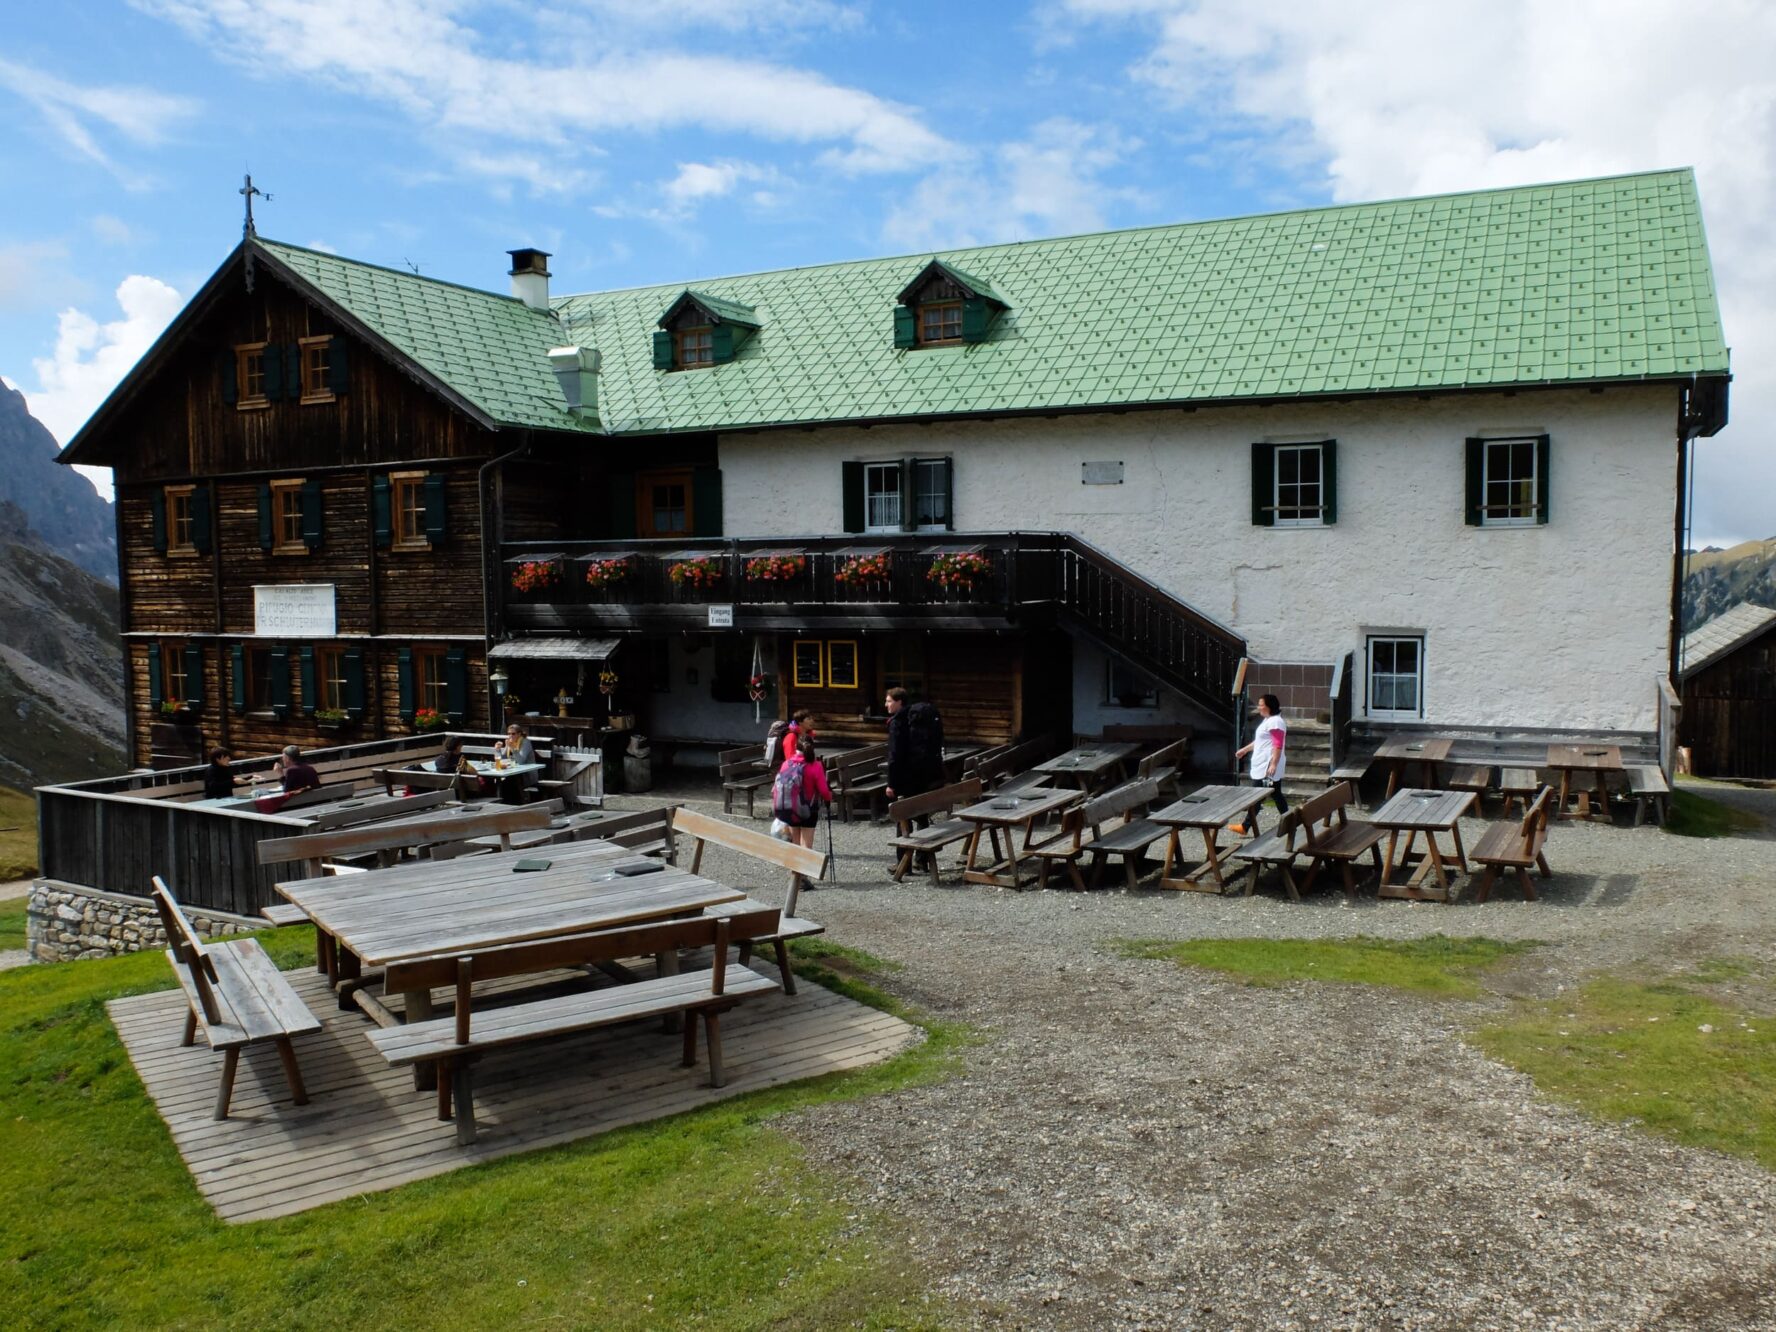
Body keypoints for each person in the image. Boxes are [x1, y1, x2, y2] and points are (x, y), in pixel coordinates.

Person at [1233, 694, 1289, 830]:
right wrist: (1245, 750)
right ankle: (1291, 820)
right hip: (1266, 765)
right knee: (1276, 795)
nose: (1259, 707)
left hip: (1267, 766)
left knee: (1257, 796)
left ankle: (1245, 826)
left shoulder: (1275, 722)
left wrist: (1274, 763)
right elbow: (1260, 741)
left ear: (1269, 706)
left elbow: (1277, 744)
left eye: (1261, 705)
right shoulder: (1268, 720)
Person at [772, 734, 833, 851]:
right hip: (808, 809)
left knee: (795, 843)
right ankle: (804, 869)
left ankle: (795, 869)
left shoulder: (786, 764)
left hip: (790, 808)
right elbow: (824, 791)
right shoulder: (816, 766)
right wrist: (828, 798)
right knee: (806, 845)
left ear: (796, 747)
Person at [884, 687, 943, 801]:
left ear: (899, 702)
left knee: (902, 809)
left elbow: (895, 754)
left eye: (889, 701)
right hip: (924, 770)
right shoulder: (915, 716)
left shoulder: (897, 722)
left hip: (906, 774)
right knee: (919, 804)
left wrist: (891, 784)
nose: (886, 704)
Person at [494, 723, 540, 793]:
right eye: (509, 734)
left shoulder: (525, 742)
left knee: (506, 783)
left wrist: (512, 747)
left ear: (519, 734)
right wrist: (497, 750)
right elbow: (503, 758)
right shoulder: (509, 742)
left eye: (513, 734)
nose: (510, 736)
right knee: (498, 783)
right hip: (513, 773)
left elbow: (521, 761)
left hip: (527, 775)